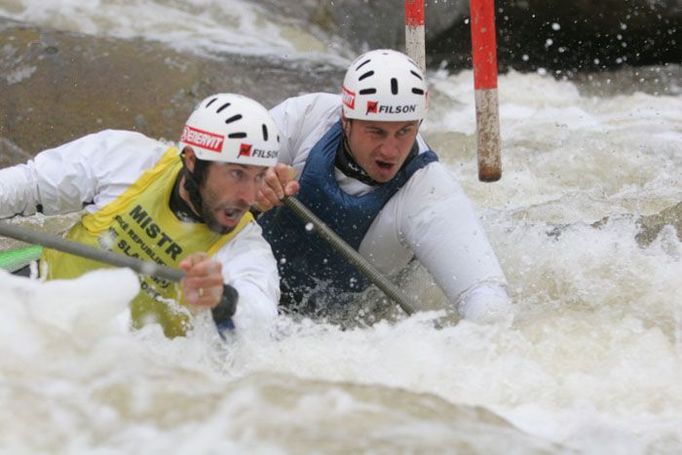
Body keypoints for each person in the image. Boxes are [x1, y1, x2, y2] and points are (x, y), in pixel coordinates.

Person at [256, 49, 512, 324]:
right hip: (254, 292)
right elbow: (208, 163)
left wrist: (485, 331)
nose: (390, 151)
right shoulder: (307, 117)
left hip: (341, 333)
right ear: (346, 120)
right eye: (376, 131)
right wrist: (253, 180)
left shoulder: (428, 191)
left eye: (404, 131)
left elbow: (484, 295)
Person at [0, 94, 282, 337]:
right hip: (39, 294)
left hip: (123, 363)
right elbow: (29, 184)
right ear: (193, 161)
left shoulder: (247, 247)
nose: (249, 196)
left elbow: (259, 321)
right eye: (237, 174)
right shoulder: (128, 158)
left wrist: (223, 300)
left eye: (258, 177)